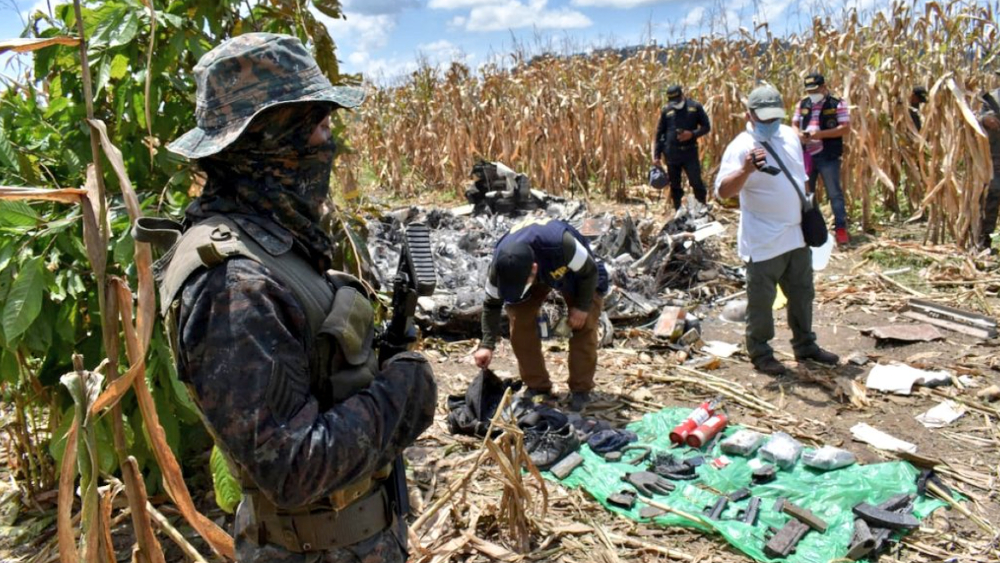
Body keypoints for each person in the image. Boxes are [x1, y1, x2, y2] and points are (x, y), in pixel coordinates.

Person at [155, 34, 436, 563]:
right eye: (321, 125)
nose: (330, 145)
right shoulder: (234, 286)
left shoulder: (267, 238)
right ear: (272, 140)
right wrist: (405, 391)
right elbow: (293, 468)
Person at [715, 84, 839, 376]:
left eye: (775, 116)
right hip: (764, 240)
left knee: (802, 294)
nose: (771, 123)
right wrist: (746, 169)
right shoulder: (740, 147)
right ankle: (760, 353)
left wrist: (809, 208)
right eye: (765, 118)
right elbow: (722, 191)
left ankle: (806, 346)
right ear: (749, 114)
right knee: (762, 302)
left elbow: (801, 175)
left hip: (796, 235)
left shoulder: (788, 136)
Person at [472, 217, 609, 412]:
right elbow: (492, 305)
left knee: (584, 324)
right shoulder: (498, 267)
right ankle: (537, 387)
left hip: (573, 271)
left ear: (533, 271)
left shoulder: (564, 245)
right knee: (520, 323)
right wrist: (486, 345)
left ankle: (581, 389)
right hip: (532, 269)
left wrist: (582, 306)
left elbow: (590, 272)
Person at [792, 73, 852, 246]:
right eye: (809, 90)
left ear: (824, 87)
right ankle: (814, 228)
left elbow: (845, 128)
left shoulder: (836, 103)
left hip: (828, 155)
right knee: (807, 193)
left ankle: (841, 228)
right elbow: (795, 124)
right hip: (806, 155)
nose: (812, 93)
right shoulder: (802, 104)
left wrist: (820, 135)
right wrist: (799, 136)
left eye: (815, 89)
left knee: (834, 193)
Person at [653, 85, 712, 210]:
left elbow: (706, 127)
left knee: (696, 182)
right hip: (672, 154)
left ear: (682, 95)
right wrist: (656, 155)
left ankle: (701, 208)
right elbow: (659, 133)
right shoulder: (666, 110)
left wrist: (692, 134)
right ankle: (678, 210)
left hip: (689, 152)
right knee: (675, 185)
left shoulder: (695, 107)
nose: (676, 104)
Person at [978, 69, 1000, 251]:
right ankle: (984, 240)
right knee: (991, 197)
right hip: (995, 159)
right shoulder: (991, 99)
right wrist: (985, 120)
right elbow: (976, 118)